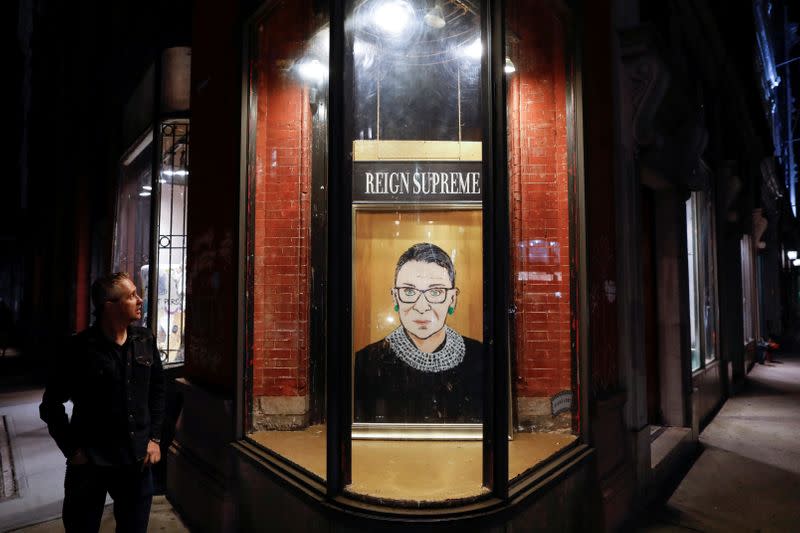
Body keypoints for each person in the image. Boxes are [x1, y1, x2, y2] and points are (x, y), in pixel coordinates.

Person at [40, 272, 165, 533]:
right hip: (91, 464)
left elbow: (158, 391)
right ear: (110, 306)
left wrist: (155, 439)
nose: (140, 299)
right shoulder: (79, 349)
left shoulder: (145, 340)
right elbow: (51, 405)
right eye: (131, 296)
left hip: (136, 461)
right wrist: (72, 450)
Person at [355, 242, 482, 423]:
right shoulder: (366, 361)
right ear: (395, 297)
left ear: (452, 299)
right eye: (409, 291)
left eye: (436, 292)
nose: (421, 307)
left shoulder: (480, 357)